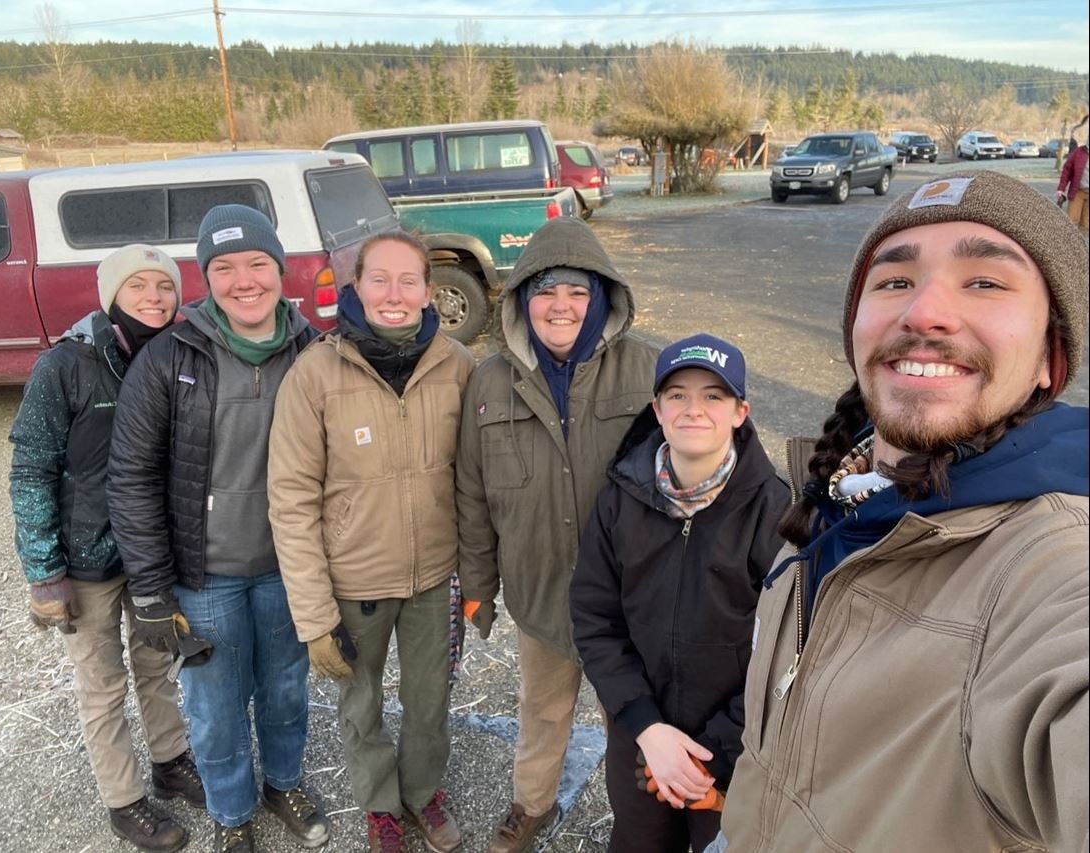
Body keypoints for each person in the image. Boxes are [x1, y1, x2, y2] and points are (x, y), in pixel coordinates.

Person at [717, 171, 1089, 853]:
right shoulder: (831, 498)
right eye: (892, 281)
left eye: (984, 281)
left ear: (1048, 356)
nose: (923, 312)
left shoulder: (1051, 562)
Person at [107, 206, 329, 853]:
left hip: (290, 569)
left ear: (279, 270)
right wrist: (150, 588)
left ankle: (282, 783)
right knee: (214, 705)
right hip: (204, 578)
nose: (244, 279)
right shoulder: (170, 358)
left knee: (286, 689)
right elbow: (132, 475)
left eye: (257, 263)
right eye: (224, 267)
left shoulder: (314, 352)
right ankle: (231, 811)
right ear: (206, 278)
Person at [456, 216, 658, 853]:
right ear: (522, 301)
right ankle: (531, 804)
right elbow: (470, 491)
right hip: (542, 593)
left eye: (577, 291)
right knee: (542, 713)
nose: (561, 305)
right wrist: (478, 588)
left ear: (601, 298)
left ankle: (644, 819)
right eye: (545, 291)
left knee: (632, 718)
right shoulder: (488, 382)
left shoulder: (650, 368)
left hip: (630, 597)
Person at [268, 232, 474, 853]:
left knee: (429, 700)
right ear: (355, 288)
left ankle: (422, 794)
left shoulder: (459, 367)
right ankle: (381, 804)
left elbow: (482, 481)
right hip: (354, 581)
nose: (393, 294)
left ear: (428, 291)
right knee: (360, 706)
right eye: (377, 279)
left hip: (435, 574)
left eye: (408, 280)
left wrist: (480, 579)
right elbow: (291, 499)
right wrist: (312, 614)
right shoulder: (316, 373)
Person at [8, 245, 203, 853]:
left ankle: (171, 762)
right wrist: (44, 572)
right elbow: (31, 468)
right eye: (138, 285)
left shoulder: (179, 357)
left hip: (152, 554)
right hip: (85, 560)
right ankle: (123, 799)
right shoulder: (65, 365)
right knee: (102, 683)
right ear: (111, 294)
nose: (154, 297)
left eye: (164, 286)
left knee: (156, 664)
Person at [570, 334, 788, 853]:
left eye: (714, 396)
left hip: (733, 747)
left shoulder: (775, 510)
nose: (695, 409)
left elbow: (785, 652)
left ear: (740, 412)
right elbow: (595, 618)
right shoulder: (619, 499)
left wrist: (709, 753)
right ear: (657, 409)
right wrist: (646, 727)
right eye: (678, 395)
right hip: (641, 736)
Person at [1057, 130, 1089, 236]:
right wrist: (1061, 189)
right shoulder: (1079, 152)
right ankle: (1068, 246)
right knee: (1071, 222)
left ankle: (1079, 248)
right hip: (1078, 192)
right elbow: (1067, 170)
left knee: (1086, 225)